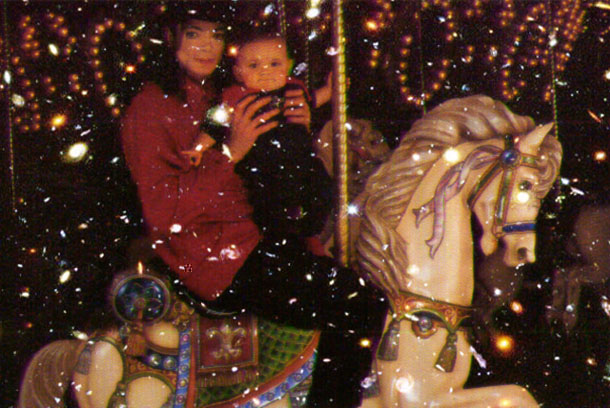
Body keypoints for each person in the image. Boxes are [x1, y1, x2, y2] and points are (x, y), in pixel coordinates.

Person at [120, 4, 387, 407]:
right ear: (171, 38)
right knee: (357, 303)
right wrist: (230, 152)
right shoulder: (152, 108)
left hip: (260, 236)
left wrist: (298, 126)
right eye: (193, 33)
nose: (206, 45)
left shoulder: (230, 91)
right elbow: (163, 213)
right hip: (214, 254)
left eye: (216, 35)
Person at [183, 31, 333, 251]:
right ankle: (275, 238)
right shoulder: (236, 97)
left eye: (274, 64)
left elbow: (313, 100)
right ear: (238, 73)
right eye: (254, 66)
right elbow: (214, 125)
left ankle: (309, 229)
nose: (265, 71)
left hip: (301, 161)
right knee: (266, 201)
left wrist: (331, 90)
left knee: (323, 186)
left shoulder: (294, 89)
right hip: (263, 166)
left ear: (288, 66)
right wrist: (198, 148)